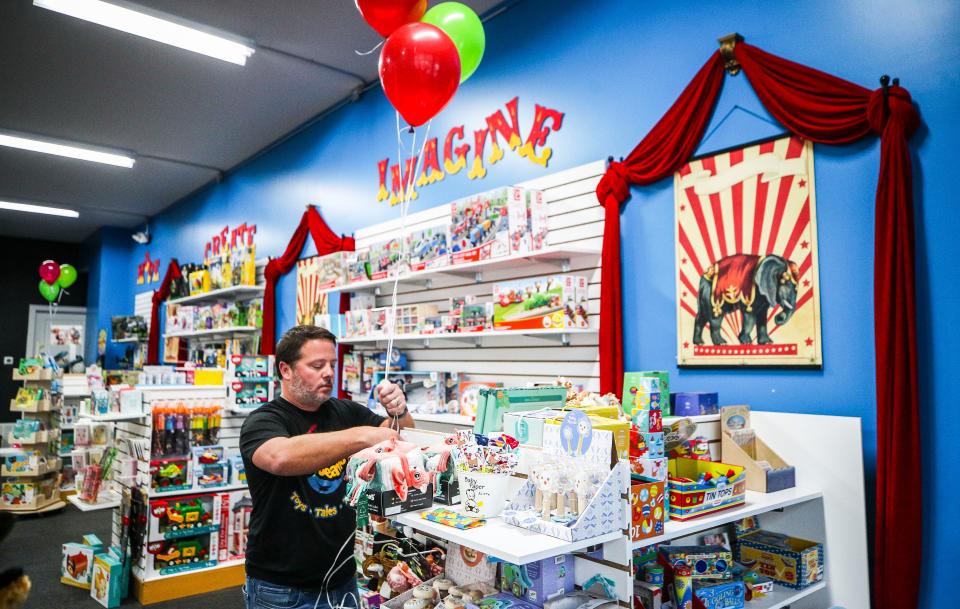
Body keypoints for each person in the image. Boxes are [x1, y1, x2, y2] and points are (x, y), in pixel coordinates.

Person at [240, 325, 414, 609]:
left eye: (332, 364)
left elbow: (398, 437)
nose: (329, 373)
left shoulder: (347, 411)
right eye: (317, 365)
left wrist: (399, 410)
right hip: (281, 587)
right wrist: (361, 436)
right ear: (285, 370)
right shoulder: (263, 420)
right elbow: (279, 457)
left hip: (342, 579)